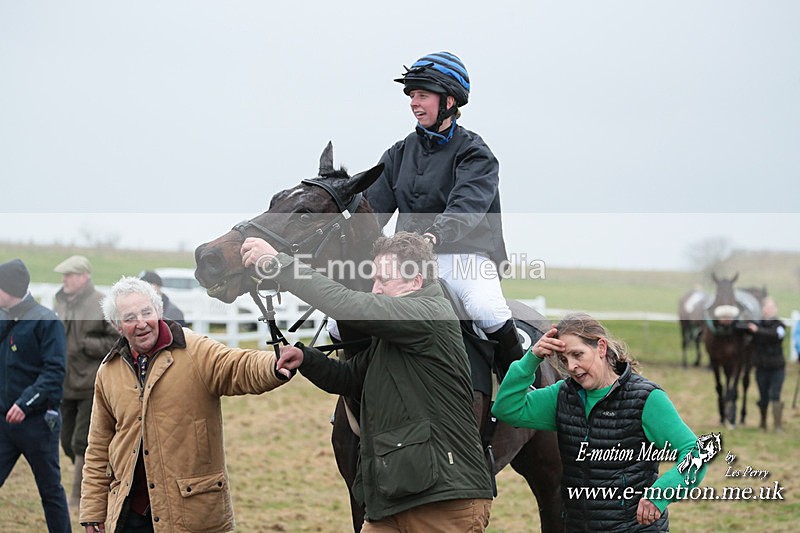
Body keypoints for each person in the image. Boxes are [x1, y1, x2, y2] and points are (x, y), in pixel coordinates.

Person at [240, 232, 493, 532]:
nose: (375, 289)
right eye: (373, 280)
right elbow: (350, 378)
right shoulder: (391, 339)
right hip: (392, 498)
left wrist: (278, 263)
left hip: (442, 500)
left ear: (415, 281)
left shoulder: (429, 314)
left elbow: (347, 303)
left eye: (383, 280)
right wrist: (306, 359)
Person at [79, 277, 292, 533]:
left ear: (158, 311)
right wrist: (92, 511)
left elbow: (237, 365)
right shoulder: (108, 370)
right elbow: (98, 445)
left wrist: (273, 366)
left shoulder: (194, 350)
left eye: (147, 312)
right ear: (117, 326)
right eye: (130, 317)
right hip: (129, 515)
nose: (141, 323)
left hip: (190, 513)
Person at [365, 51, 524, 381]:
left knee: (487, 310)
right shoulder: (398, 152)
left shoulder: (475, 153)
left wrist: (432, 236)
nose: (414, 102)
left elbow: (466, 207)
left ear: (449, 100)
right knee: (343, 320)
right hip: (406, 260)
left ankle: (519, 390)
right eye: (411, 95)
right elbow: (373, 210)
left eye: (422, 95)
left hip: (465, 256)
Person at [492, 313, 707, 531]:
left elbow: (695, 453)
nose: (572, 366)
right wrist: (532, 358)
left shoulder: (646, 398)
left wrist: (660, 494)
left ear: (601, 348)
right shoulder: (562, 396)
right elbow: (506, 408)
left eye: (578, 355)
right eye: (565, 360)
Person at [0, 259, 71, 532]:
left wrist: (24, 403)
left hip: (38, 424)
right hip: (4, 424)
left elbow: (54, 373)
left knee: (50, 490)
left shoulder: (46, 321)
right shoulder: (5, 317)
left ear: (11, 288)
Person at [52, 254, 119, 510]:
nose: (64, 280)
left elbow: (117, 339)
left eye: (69, 275)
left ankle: (78, 499)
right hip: (65, 382)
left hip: (91, 383)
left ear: (84, 277)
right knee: (67, 441)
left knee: (83, 442)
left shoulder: (102, 302)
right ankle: (100, 477)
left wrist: (87, 345)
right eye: (63, 276)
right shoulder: (61, 301)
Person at [747, 297, 787, 432]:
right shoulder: (755, 324)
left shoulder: (780, 325)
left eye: (772, 307)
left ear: (776, 309)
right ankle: (763, 422)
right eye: (767, 307)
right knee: (763, 397)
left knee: (775, 395)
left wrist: (757, 330)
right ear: (762, 309)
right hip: (761, 368)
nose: (769, 310)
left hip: (777, 368)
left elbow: (776, 335)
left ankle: (777, 426)